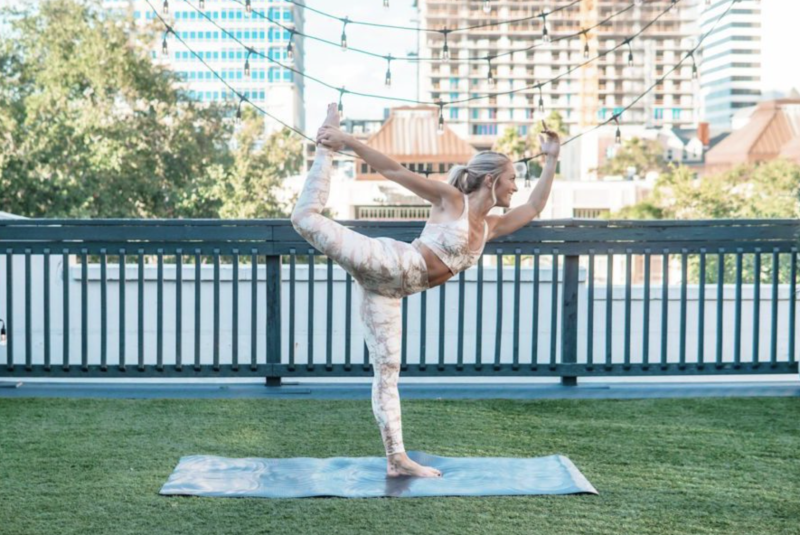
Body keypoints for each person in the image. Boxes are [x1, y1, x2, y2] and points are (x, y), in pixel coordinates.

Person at [291, 103, 561, 478]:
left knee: (387, 373)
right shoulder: (451, 202)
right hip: (389, 263)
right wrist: (345, 140)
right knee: (304, 218)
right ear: (490, 180)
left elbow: (534, 206)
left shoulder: (490, 227)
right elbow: (394, 171)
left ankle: (396, 460)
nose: (517, 186)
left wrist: (551, 159)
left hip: (389, 293)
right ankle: (325, 146)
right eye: (512, 178)